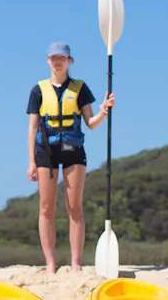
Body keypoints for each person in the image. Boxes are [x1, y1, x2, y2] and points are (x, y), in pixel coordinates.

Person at [26, 42, 115, 274]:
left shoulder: (80, 88)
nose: (57, 61)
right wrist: (31, 162)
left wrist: (104, 111)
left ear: (69, 61)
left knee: (74, 206)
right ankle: (50, 263)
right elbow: (32, 128)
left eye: (62, 58)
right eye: (53, 57)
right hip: (46, 151)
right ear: (47, 60)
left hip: (73, 150)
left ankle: (76, 263)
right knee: (46, 207)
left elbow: (91, 123)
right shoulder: (38, 90)